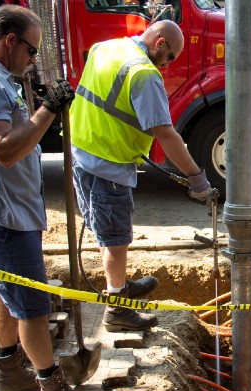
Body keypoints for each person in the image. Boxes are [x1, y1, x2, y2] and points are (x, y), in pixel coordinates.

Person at [0, 4, 110, 391]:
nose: (33, 59)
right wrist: (48, 109)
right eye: (32, 51)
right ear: (9, 41)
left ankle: (9, 372)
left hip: (9, 212)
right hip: (0, 217)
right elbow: (2, 150)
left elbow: (17, 137)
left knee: (6, 292)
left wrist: (40, 115)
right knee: (33, 307)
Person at [69, 20, 212, 332]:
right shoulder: (144, 73)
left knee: (106, 233)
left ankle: (118, 286)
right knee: (116, 240)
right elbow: (165, 133)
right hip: (109, 164)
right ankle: (118, 310)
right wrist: (196, 178)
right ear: (159, 43)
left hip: (82, 154)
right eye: (170, 56)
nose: (167, 63)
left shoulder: (106, 48)